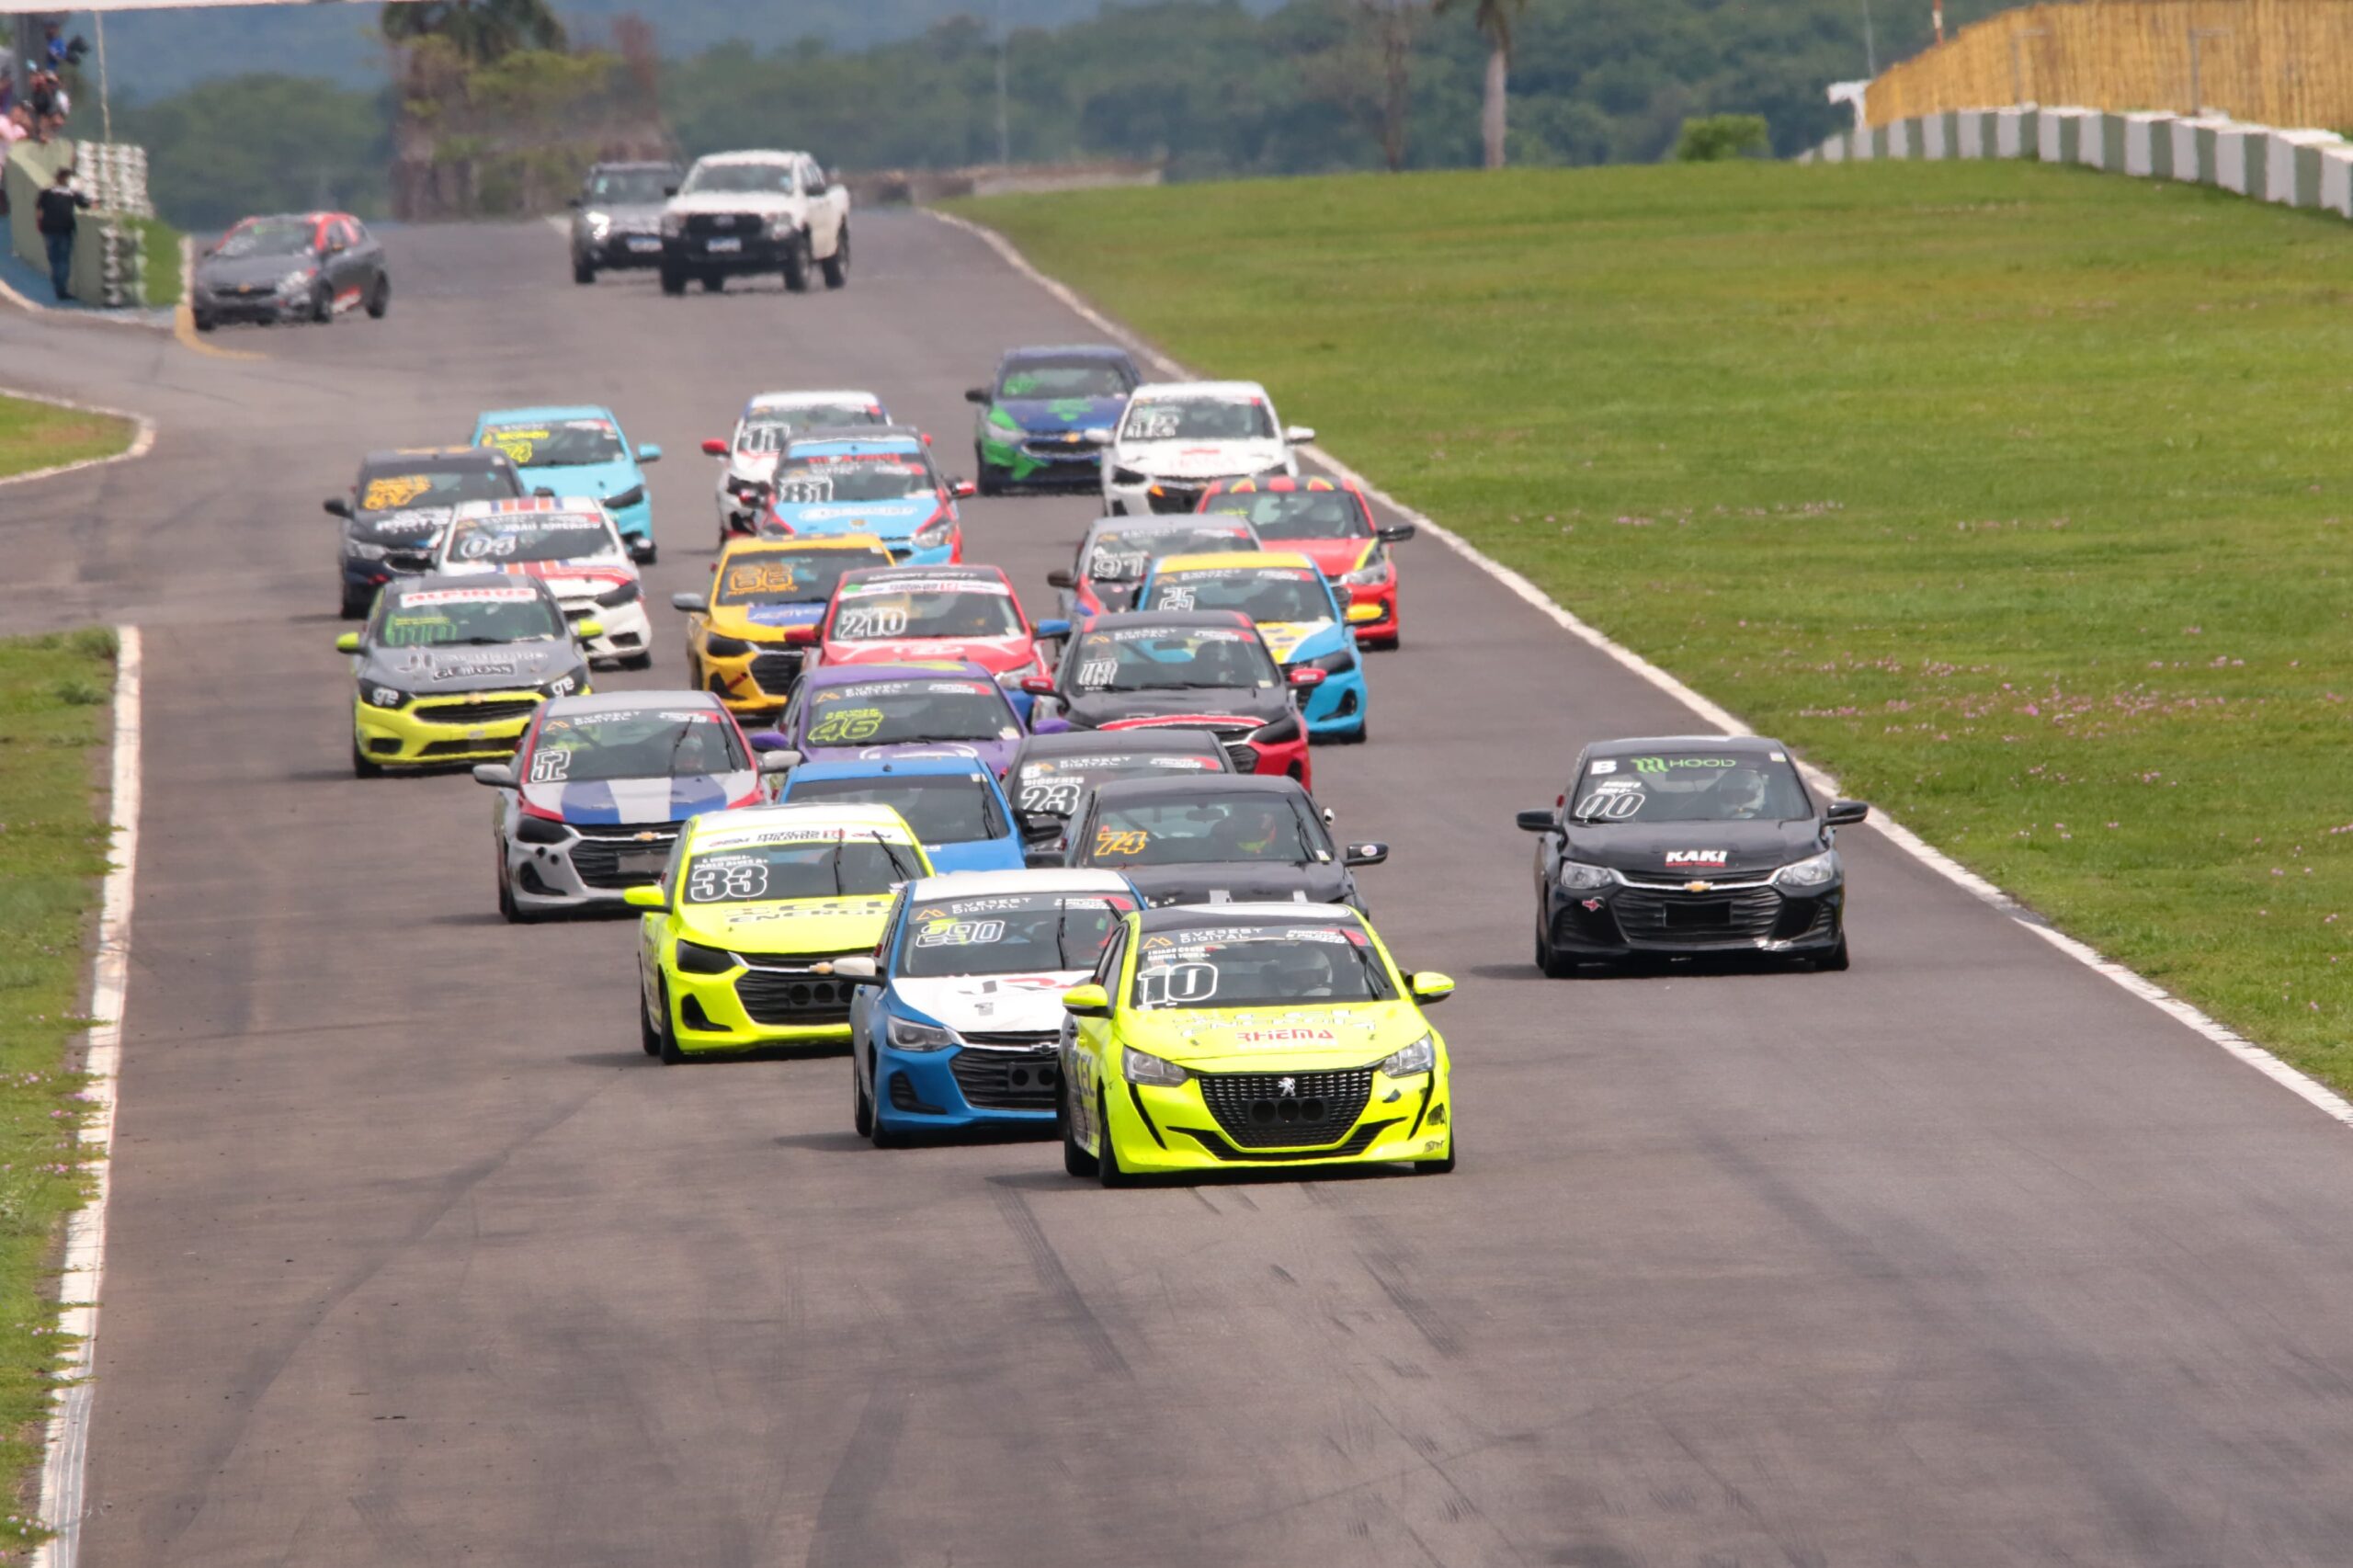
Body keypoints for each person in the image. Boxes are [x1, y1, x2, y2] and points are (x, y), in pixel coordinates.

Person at [35, 166, 93, 303]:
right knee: (63, 260)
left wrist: (39, 222)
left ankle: (57, 283)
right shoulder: (72, 193)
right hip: (65, 229)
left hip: (48, 228)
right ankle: (61, 289)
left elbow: (38, 208)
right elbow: (85, 204)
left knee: (54, 258)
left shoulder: (47, 192)